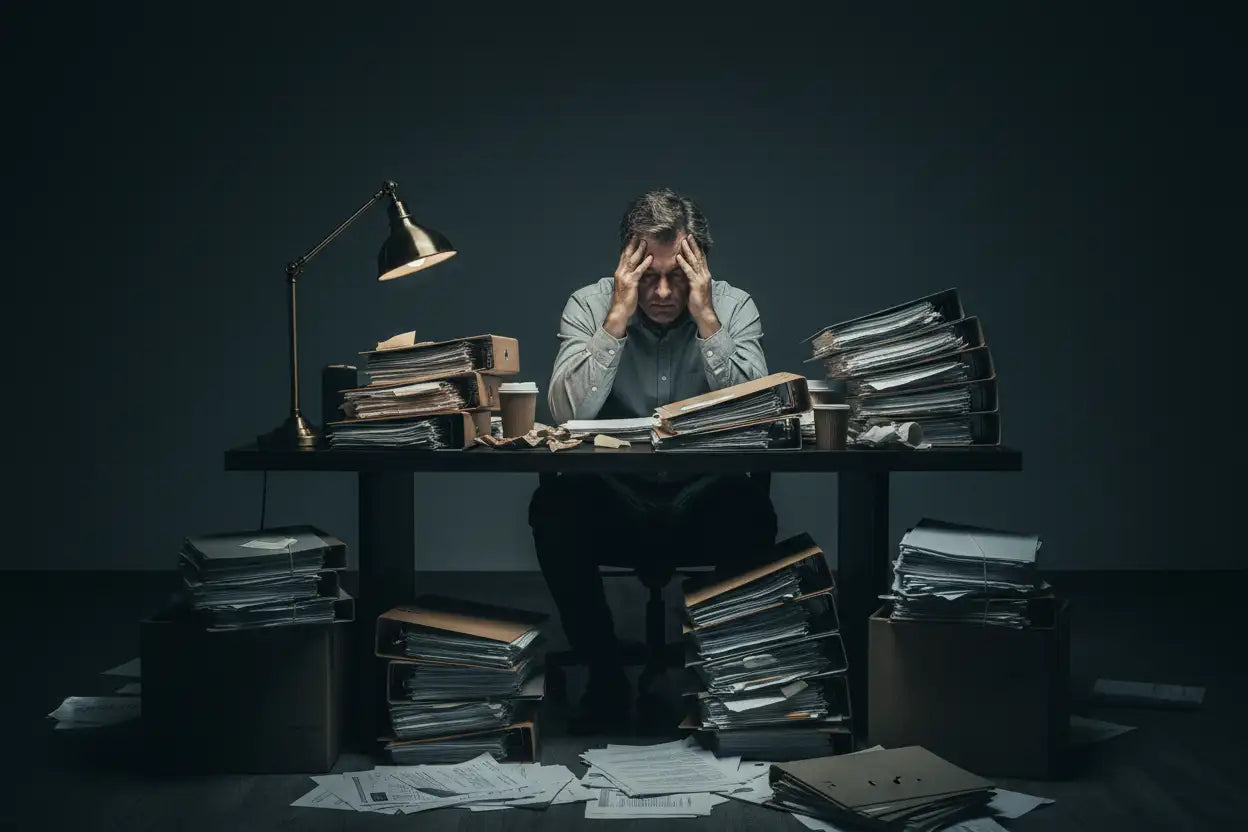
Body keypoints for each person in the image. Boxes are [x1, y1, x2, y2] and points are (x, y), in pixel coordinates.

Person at [529, 187, 779, 732]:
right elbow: (566, 411)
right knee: (553, 509)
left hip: (701, 499)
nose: (663, 291)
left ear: (700, 264)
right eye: (647, 276)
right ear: (625, 262)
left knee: (752, 513)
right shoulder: (590, 304)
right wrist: (616, 317)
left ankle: (719, 674)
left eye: (677, 275)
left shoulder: (732, 305)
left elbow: (756, 412)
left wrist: (707, 317)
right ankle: (603, 670)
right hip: (614, 498)